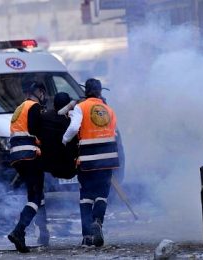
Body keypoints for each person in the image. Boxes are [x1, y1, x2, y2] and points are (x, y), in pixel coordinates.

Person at [62, 78, 119, 247]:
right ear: (100, 92)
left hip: (87, 160)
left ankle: (87, 236)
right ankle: (98, 222)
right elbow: (114, 132)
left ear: (86, 91)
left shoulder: (81, 107)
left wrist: (64, 140)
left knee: (86, 197)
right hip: (108, 159)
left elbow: (73, 128)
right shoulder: (109, 109)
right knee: (102, 195)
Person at [7, 81, 49, 253]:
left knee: (36, 194)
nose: (44, 97)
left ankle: (43, 233)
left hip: (17, 156)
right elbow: (38, 132)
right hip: (30, 154)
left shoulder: (20, 108)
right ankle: (19, 230)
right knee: (35, 198)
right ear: (38, 92)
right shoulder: (35, 107)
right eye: (43, 93)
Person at [40, 92, 78, 180]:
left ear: (53, 105)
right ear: (69, 106)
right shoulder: (74, 120)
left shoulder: (44, 117)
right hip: (70, 167)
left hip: (49, 168)